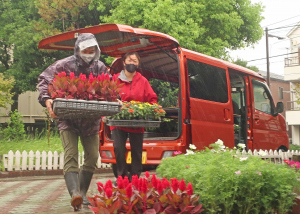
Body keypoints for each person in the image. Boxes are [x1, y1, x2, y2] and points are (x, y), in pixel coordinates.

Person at [37, 33, 109, 211]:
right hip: (67, 118)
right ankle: (74, 193)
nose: (89, 53)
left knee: (92, 156)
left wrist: (116, 99)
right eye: (86, 49)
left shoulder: (100, 67)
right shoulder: (63, 65)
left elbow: (109, 86)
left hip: (90, 120)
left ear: (96, 50)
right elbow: (44, 80)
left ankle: (82, 193)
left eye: (92, 50)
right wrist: (47, 99)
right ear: (78, 49)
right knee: (71, 155)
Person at [111, 52, 157, 183]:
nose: (132, 63)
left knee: (137, 152)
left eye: (135, 61)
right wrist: (115, 101)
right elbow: (107, 96)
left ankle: (135, 178)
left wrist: (149, 109)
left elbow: (152, 98)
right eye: (129, 60)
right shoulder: (115, 80)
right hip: (118, 121)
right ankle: (122, 177)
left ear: (138, 64)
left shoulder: (143, 81)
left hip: (137, 121)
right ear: (124, 62)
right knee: (119, 149)